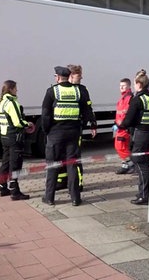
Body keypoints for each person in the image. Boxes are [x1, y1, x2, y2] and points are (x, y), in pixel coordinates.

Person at [41, 66, 95, 206]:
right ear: (68, 76)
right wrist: (90, 124)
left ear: (58, 77)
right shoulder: (78, 91)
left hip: (56, 133)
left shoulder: (52, 91)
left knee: (53, 165)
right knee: (72, 165)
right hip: (73, 133)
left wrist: (47, 131)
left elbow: (46, 115)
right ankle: (75, 198)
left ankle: (49, 197)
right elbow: (86, 109)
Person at [117, 71, 149, 205]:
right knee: (146, 164)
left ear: (139, 84)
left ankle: (144, 196)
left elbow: (129, 119)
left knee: (140, 164)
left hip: (141, 134)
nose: (133, 86)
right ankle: (146, 192)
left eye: (134, 84)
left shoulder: (137, 99)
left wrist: (120, 126)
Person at [55, 64, 97, 191]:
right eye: (79, 76)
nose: (81, 78)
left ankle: (78, 183)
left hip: (76, 127)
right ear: (72, 76)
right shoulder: (60, 89)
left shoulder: (82, 90)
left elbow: (88, 108)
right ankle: (62, 180)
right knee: (61, 155)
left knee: (74, 156)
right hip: (61, 128)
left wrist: (93, 124)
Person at [0, 80, 34, 200]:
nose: (17, 90)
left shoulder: (1, 102)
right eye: (16, 88)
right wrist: (28, 124)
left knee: (5, 162)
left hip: (4, 136)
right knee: (15, 163)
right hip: (14, 137)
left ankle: (2, 187)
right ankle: (15, 191)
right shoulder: (12, 103)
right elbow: (18, 122)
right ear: (11, 89)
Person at [114, 78, 135, 174]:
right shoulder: (123, 98)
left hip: (124, 128)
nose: (121, 87)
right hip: (120, 127)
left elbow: (127, 114)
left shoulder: (129, 98)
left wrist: (123, 125)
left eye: (124, 86)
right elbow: (119, 113)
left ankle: (131, 163)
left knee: (120, 147)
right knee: (123, 147)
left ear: (129, 86)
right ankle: (125, 165)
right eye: (120, 86)